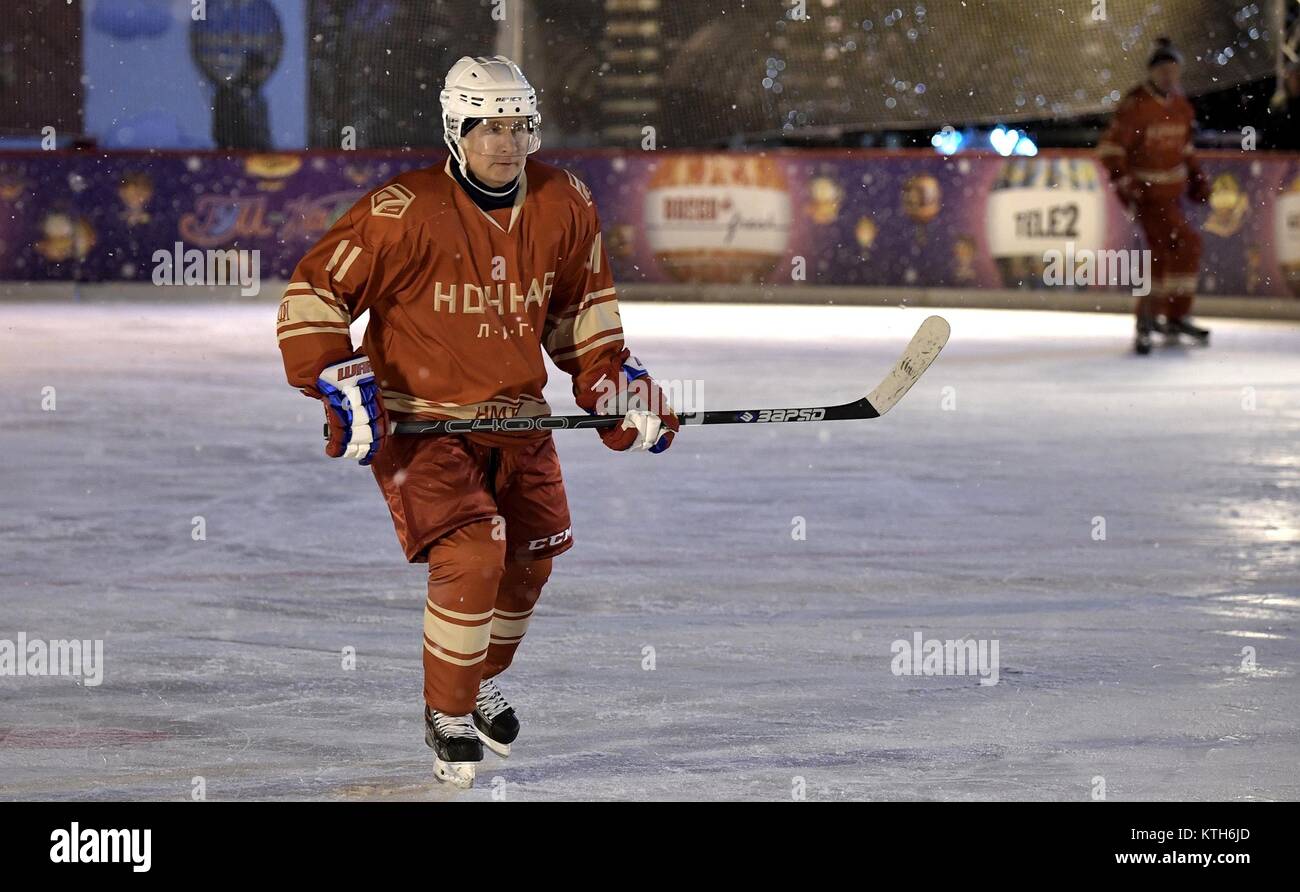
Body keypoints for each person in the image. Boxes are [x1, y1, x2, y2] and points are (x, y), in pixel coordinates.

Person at [274, 55, 680, 788]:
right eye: (486, 125)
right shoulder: (401, 211)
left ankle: (478, 676)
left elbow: (579, 315)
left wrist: (616, 385)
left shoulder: (565, 200)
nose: (505, 140)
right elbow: (313, 293)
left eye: (518, 124)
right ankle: (449, 712)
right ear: (454, 131)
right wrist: (333, 376)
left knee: (532, 562)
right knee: (474, 552)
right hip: (420, 425)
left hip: (520, 423)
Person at [1098, 37, 1211, 355]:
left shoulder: (1180, 106)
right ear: (1152, 72)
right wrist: (1125, 182)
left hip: (1170, 196)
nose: (1169, 75)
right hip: (1148, 196)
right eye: (1162, 68)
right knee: (1178, 245)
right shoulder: (1136, 106)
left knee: (1172, 249)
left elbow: (1185, 149)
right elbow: (1110, 149)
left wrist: (1197, 177)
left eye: (1173, 68)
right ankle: (1159, 316)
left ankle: (1164, 316)